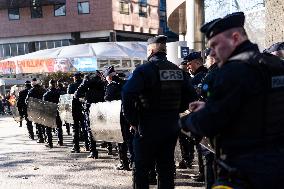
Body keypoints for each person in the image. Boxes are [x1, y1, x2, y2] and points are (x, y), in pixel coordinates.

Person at [180, 12, 284, 189]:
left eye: (215, 44)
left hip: (242, 171)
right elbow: (256, 106)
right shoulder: (274, 65)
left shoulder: (232, 72)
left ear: (235, 38)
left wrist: (185, 121)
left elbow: (210, 122)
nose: (211, 52)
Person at [122, 35, 197, 189]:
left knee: (141, 168)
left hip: (147, 126)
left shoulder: (144, 70)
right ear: (164, 49)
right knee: (166, 168)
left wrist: (134, 121)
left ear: (151, 50)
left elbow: (127, 93)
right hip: (170, 126)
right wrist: (177, 109)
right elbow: (191, 97)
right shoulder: (178, 71)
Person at [75, 72, 105, 158]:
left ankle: (94, 152)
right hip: (102, 107)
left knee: (91, 130)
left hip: (90, 108)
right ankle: (109, 148)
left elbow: (77, 94)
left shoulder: (86, 83)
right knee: (105, 127)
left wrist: (85, 97)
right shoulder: (102, 82)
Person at [67, 72, 89, 153]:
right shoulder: (85, 85)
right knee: (85, 128)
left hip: (74, 110)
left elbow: (69, 98)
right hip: (84, 108)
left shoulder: (71, 86)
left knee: (75, 129)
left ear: (75, 78)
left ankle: (76, 147)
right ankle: (88, 146)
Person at [43, 79, 63, 148]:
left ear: (50, 84)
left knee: (48, 128)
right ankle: (60, 141)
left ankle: (50, 143)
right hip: (58, 111)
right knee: (59, 127)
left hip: (49, 112)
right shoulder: (60, 93)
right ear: (55, 84)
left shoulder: (46, 94)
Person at [26, 78, 46, 143]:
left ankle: (41, 138)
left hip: (36, 109)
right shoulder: (43, 90)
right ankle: (45, 137)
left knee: (38, 124)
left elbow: (27, 100)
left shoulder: (31, 91)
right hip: (43, 108)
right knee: (43, 124)